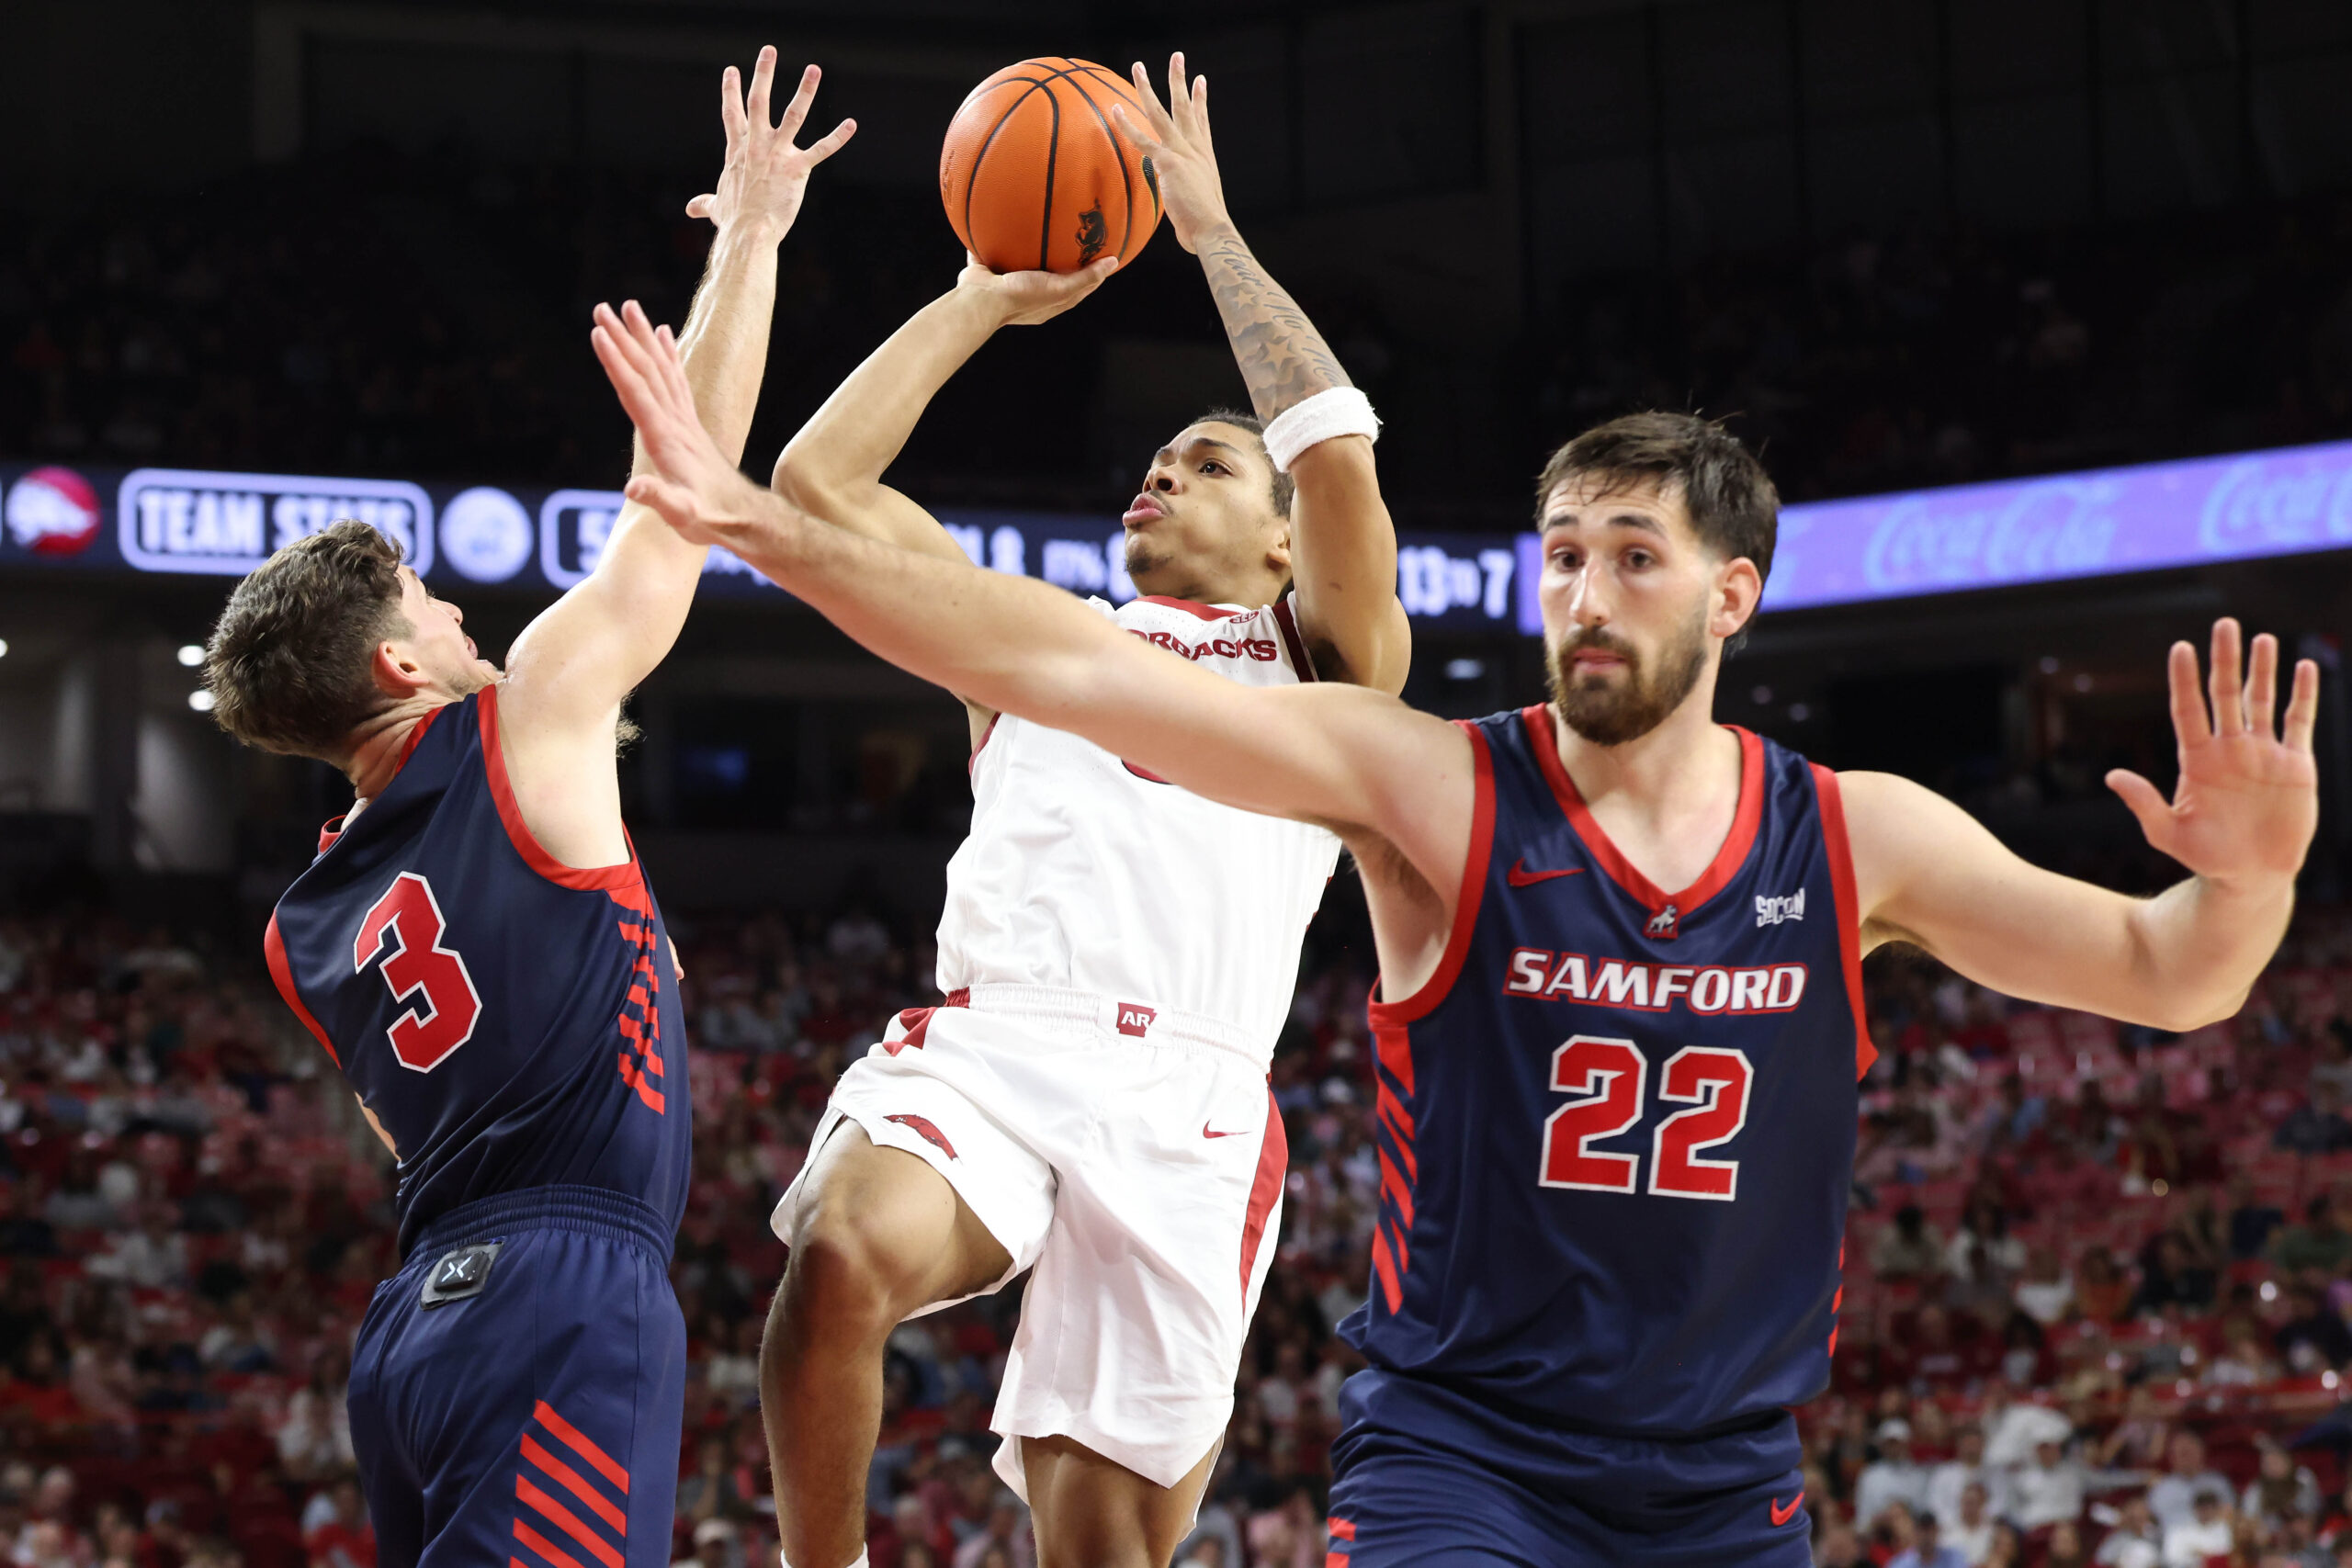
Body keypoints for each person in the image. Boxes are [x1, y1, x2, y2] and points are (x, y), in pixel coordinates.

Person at [593, 233, 2321, 1568]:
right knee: (836, 1256)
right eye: (1563, 553)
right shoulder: (1422, 772)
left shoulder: (1837, 830)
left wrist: (2247, 876)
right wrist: (758, 511)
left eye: (1632, 556)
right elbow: (1003, 636)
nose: (1582, 590)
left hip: (1696, 1455)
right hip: (1446, 1427)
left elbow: (2175, 972)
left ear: (1735, 595)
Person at [743, 55, 1410, 1568]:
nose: (1164, 471)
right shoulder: (1032, 639)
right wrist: (982, 294)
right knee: (842, 1250)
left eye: (1211, 461)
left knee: (1102, 1543)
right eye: (1159, 458)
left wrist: (1214, 239)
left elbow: (1344, 456)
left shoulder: (1324, 661)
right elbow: (816, 487)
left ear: (1280, 538)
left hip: (1191, 1096)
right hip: (1001, 1039)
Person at [207, 51, 853, 1567]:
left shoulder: (303, 932)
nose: (459, 611)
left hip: (413, 1336)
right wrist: (751, 237)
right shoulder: (523, 720)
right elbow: (672, 501)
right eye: (431, 602)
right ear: (394, 660)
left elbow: (429, 1091)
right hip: (565, 1286)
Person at [1888, 1512, 1967, 1568]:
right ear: (1914, 1533)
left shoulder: (1954, 1558)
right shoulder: (1900, 1564)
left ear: (1937, 1531)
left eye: (1930, 1530)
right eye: (1922, 1530)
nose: (1926, 1536)